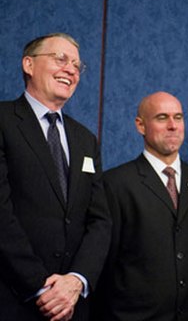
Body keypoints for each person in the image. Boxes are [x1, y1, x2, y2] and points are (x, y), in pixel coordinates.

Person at [0, 33, 111, 321]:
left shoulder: (86, 139)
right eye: (60, 59)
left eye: (77, 65)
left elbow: (100, 220)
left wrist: (76, 280)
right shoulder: (3, 121)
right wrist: (42, 288)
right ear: (28, 64)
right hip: (13, 299)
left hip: (72, 305)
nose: (71, 69)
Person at [93, 92, 188, 320]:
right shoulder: (115, 185)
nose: (173, 126)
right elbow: (104, 263)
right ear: (140, 125)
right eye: (162, 118)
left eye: (179, 117)